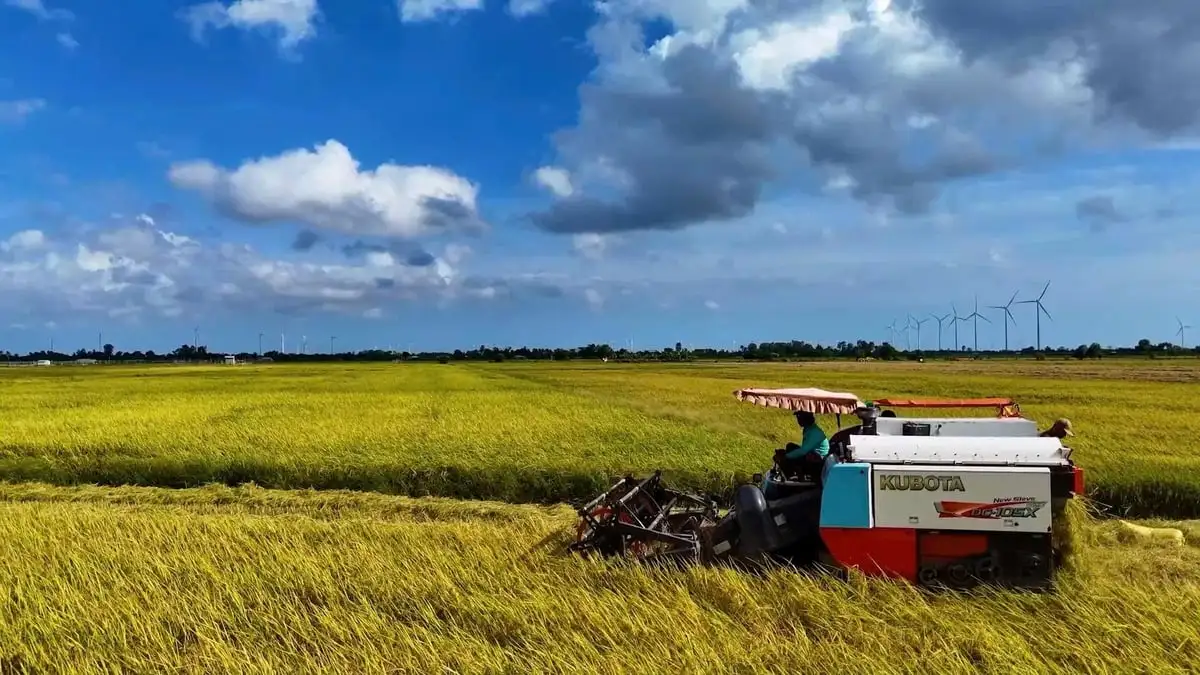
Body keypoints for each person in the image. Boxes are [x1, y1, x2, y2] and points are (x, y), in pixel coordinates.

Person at [775, 410, 829, 478]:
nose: (798, 420)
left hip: (818, 461)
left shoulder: (814, 432)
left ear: (806, 418)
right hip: (813, 454)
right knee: (790, 446)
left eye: (799, 417)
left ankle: (791, 477)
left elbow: (803, 451)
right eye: (797, 417)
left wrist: (786, 456)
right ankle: (794, 473)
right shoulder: (809, 428)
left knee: (787, 458)